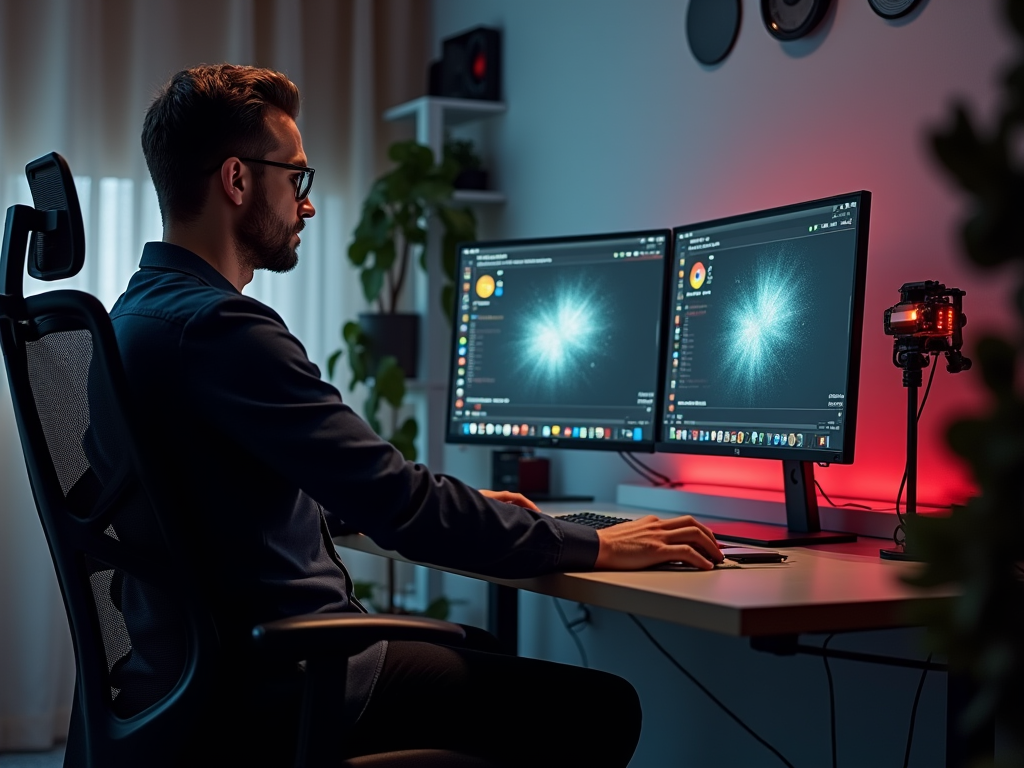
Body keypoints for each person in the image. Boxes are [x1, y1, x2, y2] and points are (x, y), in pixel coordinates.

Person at [116, 63, 723, 767]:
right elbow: (400, 503)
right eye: (297, 179)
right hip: (285, 685)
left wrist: (397, 505)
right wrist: (595, 544)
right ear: (238, 180)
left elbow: (212, 497)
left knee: (489, 661)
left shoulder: (135, 319)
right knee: (603, 709)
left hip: (197, 679)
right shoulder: (223, 329)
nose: (307, 206)